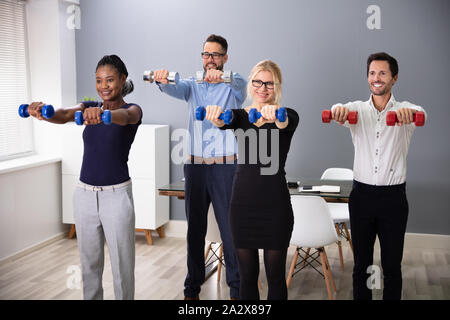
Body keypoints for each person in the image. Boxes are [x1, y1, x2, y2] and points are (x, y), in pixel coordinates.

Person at [27, 54, 142, 300]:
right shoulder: (89, 106)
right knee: (89, 266)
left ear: (122, 80)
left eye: (110, 80)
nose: (104, 87)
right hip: (84, 196)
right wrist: (42, 113)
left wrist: (104, 116)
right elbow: (65, 114)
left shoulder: (131, 110)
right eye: (99, 81)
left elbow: (126, 118)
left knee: (122, 269)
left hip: (117, 196)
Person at [151, 34, 246, 300]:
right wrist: (162, 79)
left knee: (230, 231)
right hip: (195, 166)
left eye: (215, 55)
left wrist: (223, 77)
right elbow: (173, 87)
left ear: (225, 57)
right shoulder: (192, 85)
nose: (210, 60)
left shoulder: (234, 84)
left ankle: (236, 292)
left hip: (226, 167)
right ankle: (191, 289)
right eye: (206, 54)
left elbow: (241, 83)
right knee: (195, 231)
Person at [330, 52, 427, 300]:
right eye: (372, 73)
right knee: (361, 265)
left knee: (392, 266)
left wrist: (409, 115)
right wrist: (337, 109)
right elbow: (337, 109)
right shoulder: (357, 110)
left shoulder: (406, 110)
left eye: (382, 73)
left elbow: (421, 112)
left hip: (393, 199)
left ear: (394, 78)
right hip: (361, 197)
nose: (376, 78)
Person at [205, 60, 299, 300]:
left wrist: (273, 114)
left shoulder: (288, 115)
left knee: (276, 276)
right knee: (247, 278)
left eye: (269, 83)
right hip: (242, 207)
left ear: (276, 86)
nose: (263, 88)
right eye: (258, 82)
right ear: (251, 84)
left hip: (275, 207)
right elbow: (223, 121)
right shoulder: (239, 116)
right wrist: (215, 116)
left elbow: (283, 122)